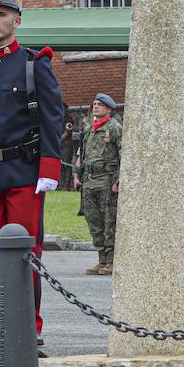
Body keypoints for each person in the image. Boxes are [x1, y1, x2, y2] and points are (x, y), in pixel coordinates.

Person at [0, 0, 63, 351]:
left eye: (1, 15)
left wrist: (49, 167)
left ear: (17, 20)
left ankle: (28, 324)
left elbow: (52, 116)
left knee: (26, 251)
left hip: (25, 172)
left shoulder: (33, 62)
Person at [77, 94, 123, 275]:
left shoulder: (115, 128)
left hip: (106, 180)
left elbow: (123, 155)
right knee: (93, 219)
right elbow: (82, 153)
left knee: (109, 221)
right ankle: (101, 259)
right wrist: (77, 175)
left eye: (100, 105)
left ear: (109, 109)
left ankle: (111, 261)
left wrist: (118, 181)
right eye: (94, 104)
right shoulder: (89, 130)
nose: (95, 107)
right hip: (90, 180)